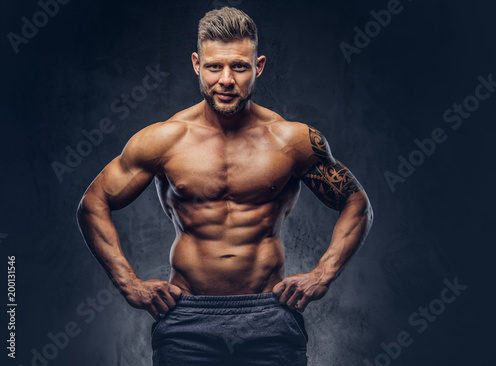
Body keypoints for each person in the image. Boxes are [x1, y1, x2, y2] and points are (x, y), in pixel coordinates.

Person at [77, 6, 373, 366]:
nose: (226, 80)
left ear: (259, 66)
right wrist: (129, 283)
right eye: (215, 66)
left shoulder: (291, 140)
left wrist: (323, 274)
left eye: (240, 66)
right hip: (187, 318)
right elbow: (93, 204)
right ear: (197, 64)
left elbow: (356, 204)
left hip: (269, 316)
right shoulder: (163, 140)